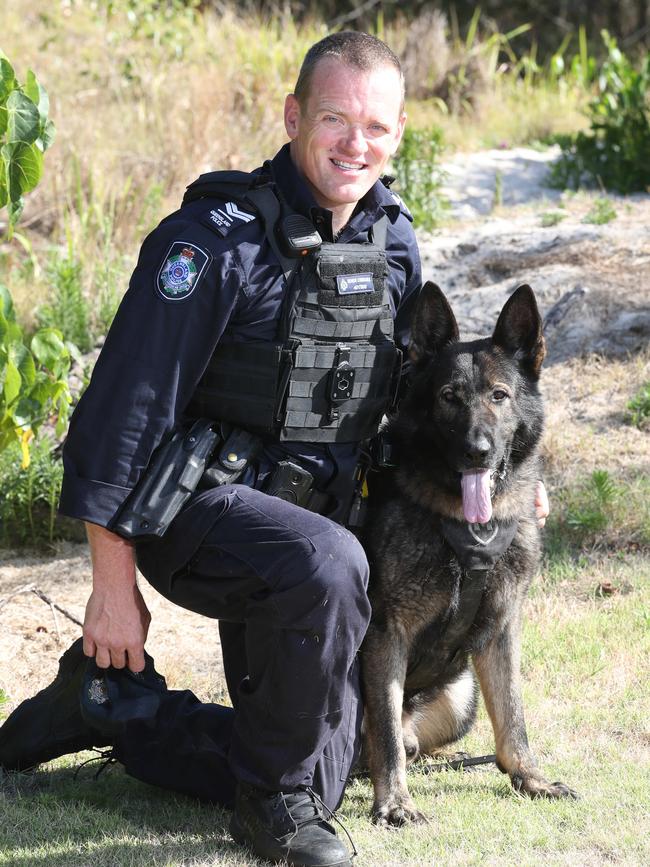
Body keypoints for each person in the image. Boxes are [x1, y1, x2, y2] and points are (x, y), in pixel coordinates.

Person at [0, 31, 549, 867]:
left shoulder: (392, 241)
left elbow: (416, 404)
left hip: (309, 519)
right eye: (335, 119)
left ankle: (114, 706)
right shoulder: (213, 241)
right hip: (197, 514)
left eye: (376, 127)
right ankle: (273, 815)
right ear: (294, 116)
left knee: (333, 765)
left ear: (399, 134)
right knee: (330, 565)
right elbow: (120, 414)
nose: (354, 145)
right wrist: (111, 588)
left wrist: (505, 483)